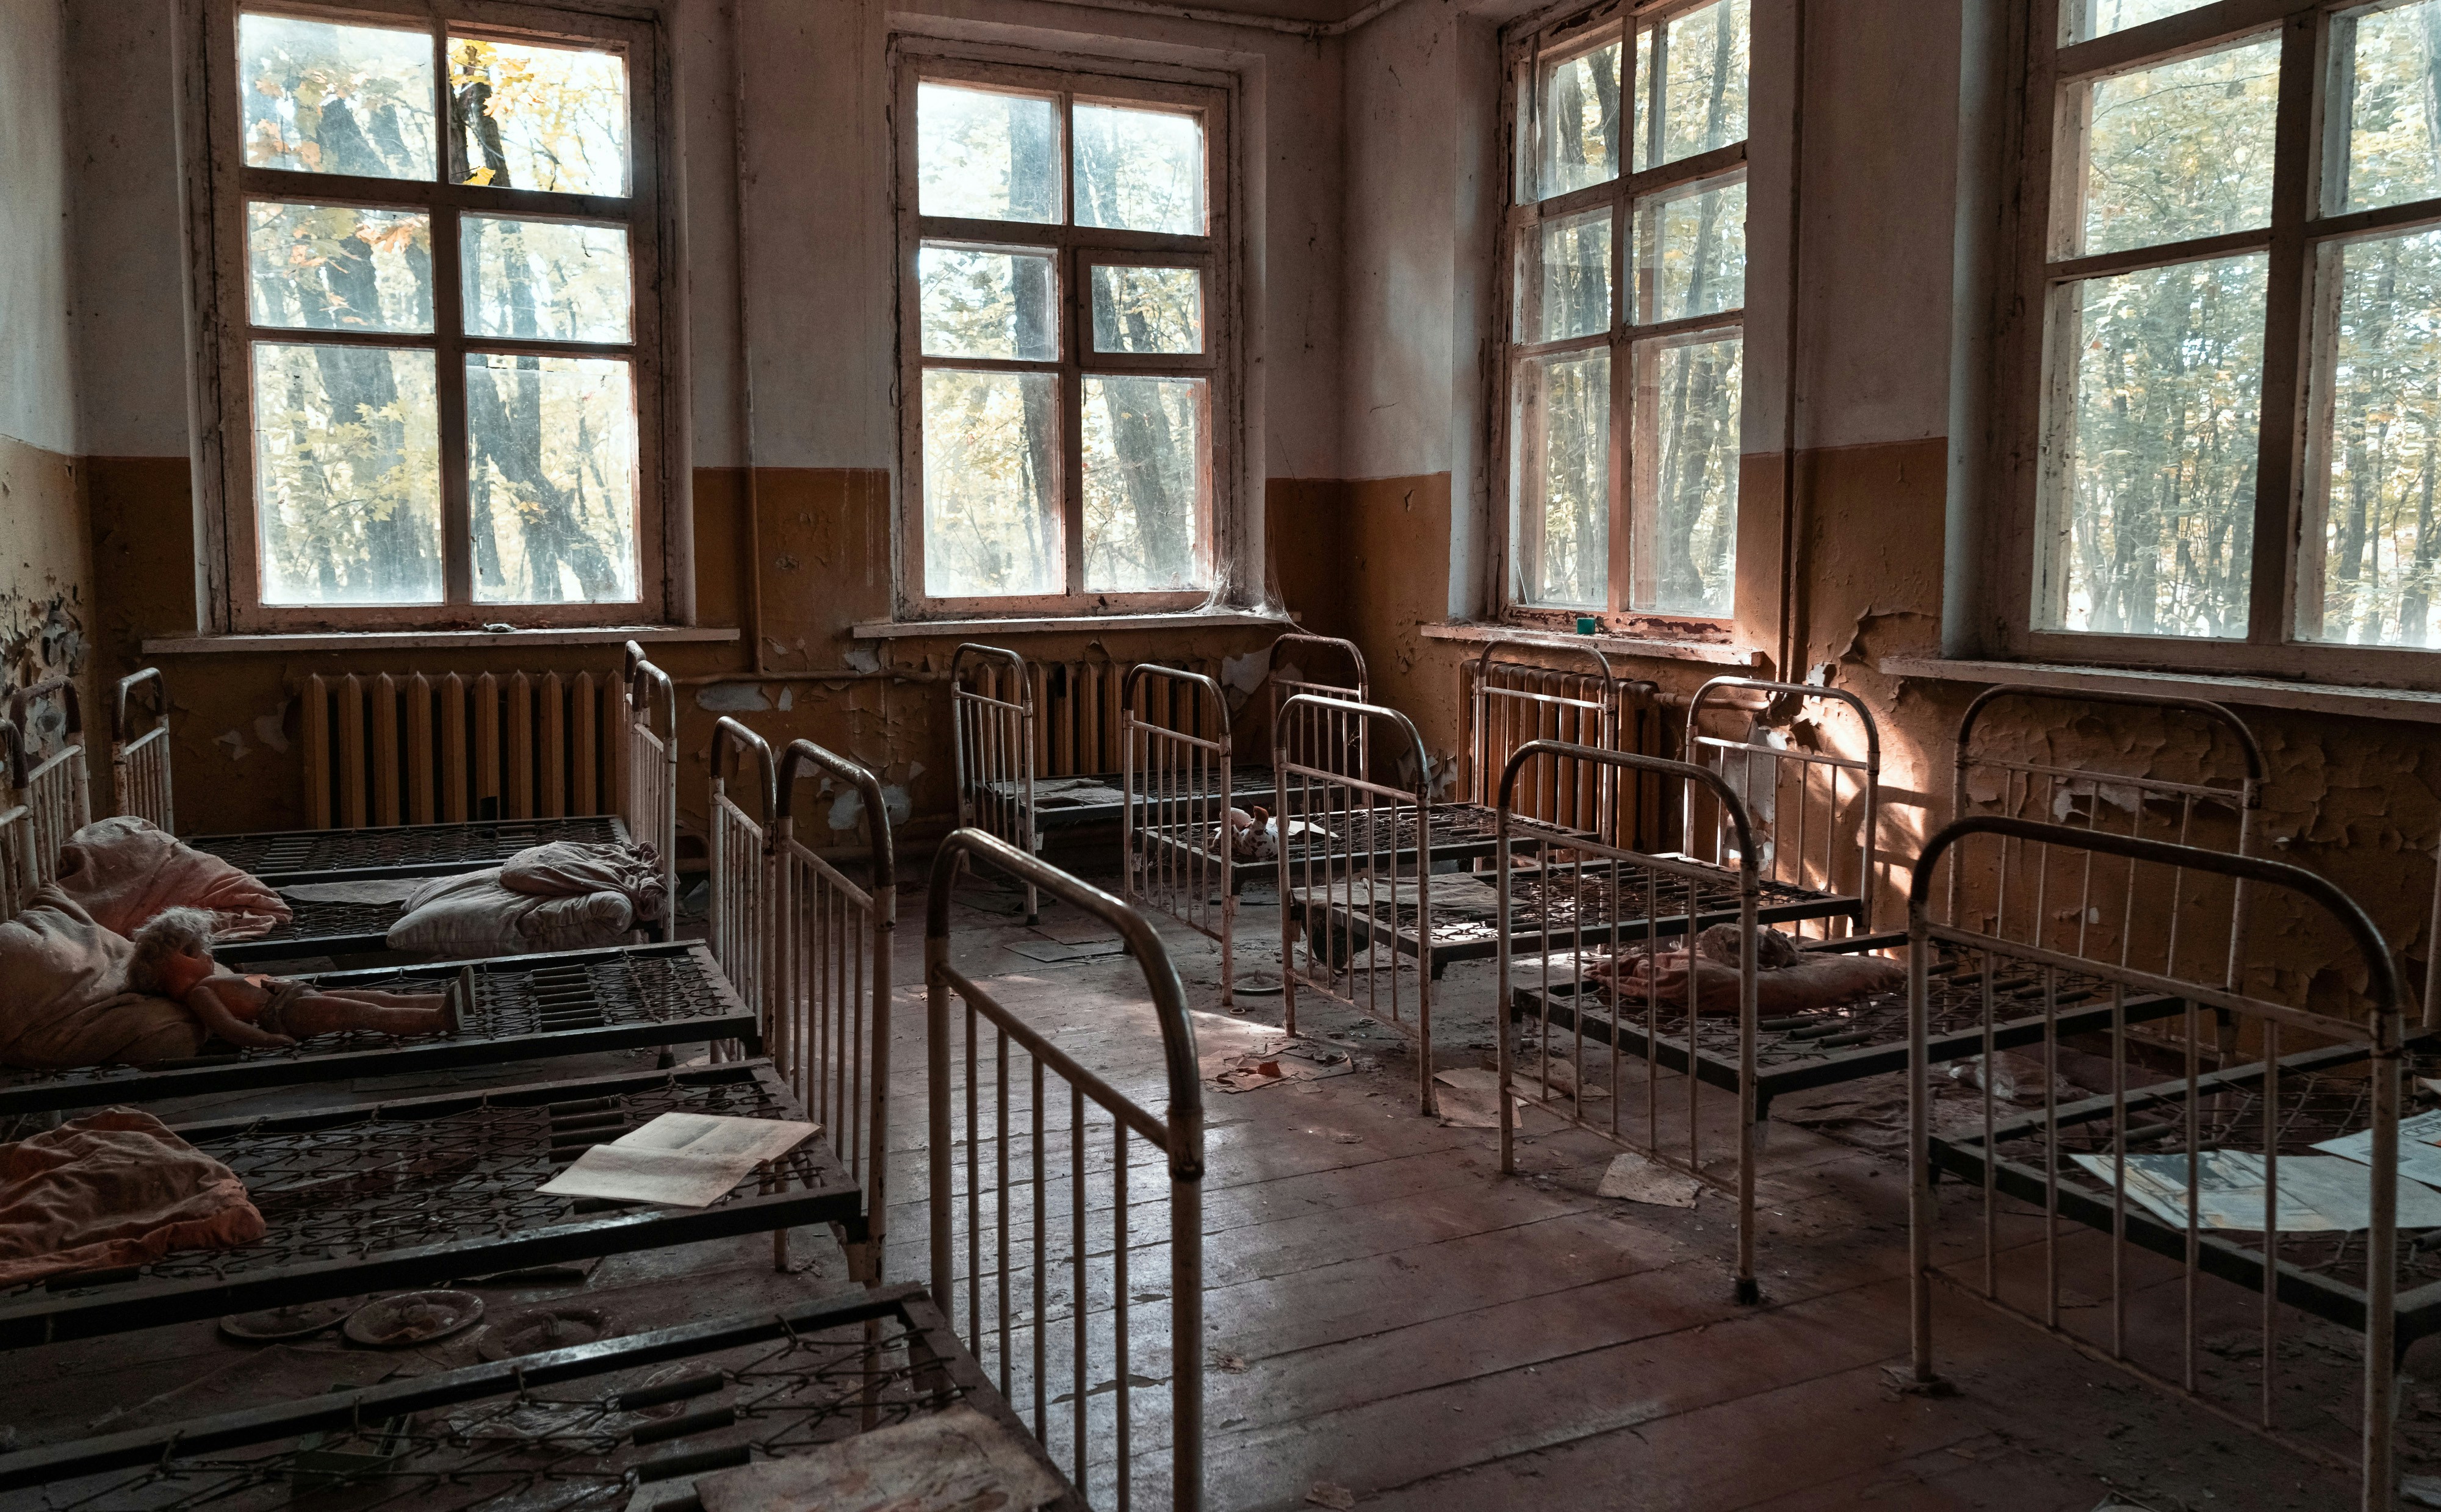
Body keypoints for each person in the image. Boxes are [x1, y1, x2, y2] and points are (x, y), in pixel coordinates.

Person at [124, 908, 459, 1048]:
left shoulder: (213, 981)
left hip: (295, 996)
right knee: (367, 1015)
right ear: (176, 963)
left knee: (375, 999)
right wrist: (269, 1041)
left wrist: (275, 982)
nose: (210, 957)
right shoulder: (199, 994)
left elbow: (259, 982)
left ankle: (442, 999)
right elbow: (228, 1026)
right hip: (285, 1015)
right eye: (198, 953)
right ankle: (438, 1019)